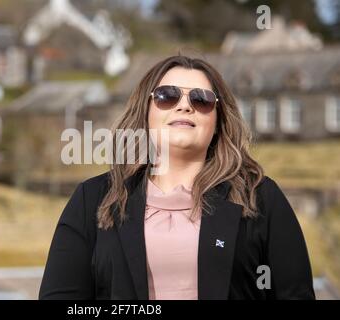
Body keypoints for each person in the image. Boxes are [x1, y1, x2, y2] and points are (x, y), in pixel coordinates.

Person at [39, 55, 315, 300]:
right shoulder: (93, 199)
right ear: (145, 112)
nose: (185, 106)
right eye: (167, 96)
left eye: (201, 99)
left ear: (218, 120)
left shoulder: (260, 198)